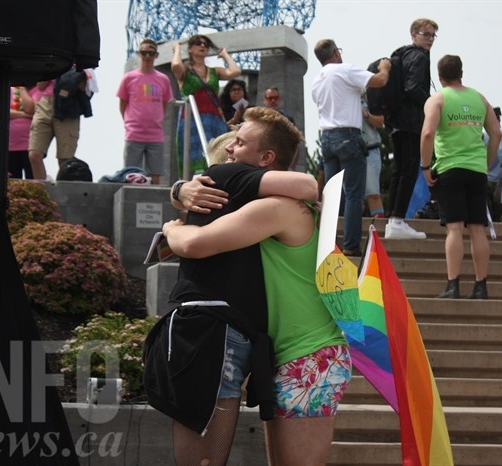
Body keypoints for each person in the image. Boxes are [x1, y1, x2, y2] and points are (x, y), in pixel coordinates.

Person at [163, 107, 349, 466]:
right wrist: (181, 190)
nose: (231, 149)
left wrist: (172, 229)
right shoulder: (269, 203)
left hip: (310, 354)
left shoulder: (278, 208)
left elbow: (197, 244)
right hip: (289, 354)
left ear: (266, 159)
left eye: (240, 143)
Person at [420, 54, 501, 300]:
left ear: (440, 75)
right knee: (478, 228)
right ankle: (480, 286)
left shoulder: (438, 99)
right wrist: (485, 163)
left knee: (454, 228)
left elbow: (427, 133)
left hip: (449, 168)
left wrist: (425, 167)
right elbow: (496, 133)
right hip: (477, 170)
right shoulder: (480, 98)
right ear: (461, 73)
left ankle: (453, 285)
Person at [311, 38, 391, 256]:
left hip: (327, 137)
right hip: (349, 135)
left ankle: (327, 244)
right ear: (336, 53)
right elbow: (379, 80)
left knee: (332, 194)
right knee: (354, 194)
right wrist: (385, 67)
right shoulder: (345, 70)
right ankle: (350, 245)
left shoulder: (317, 80)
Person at [383, 18, 439, 240]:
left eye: (433, 35)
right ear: (414, 34)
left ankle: (392, 220)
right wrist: (430, 105)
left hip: (396, 121)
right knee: (408, 170)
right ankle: (397, 220)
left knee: (399, 171)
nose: (430, 39)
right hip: (410, 122)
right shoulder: (419, 56)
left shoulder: (401, 55)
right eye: (426, 34)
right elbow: (413, 87)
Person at [172, 35, 240, 179]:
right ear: (190, 48)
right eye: (198, 43)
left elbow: (235, 72)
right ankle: (185, 189)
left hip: (214, 119)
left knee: (216, 155)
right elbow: (175, 66)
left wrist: (225, 55)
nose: (202, 46)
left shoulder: (214, 71)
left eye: (206, 44)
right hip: (191, 118)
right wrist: (177, 48)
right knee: (190, 156)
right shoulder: (186, 71)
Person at [117, 39, 173, 185]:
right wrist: (130, 122)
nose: (147, 56)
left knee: (156, 174)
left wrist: (157, 120)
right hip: (134, 133)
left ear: (156, 55)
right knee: (130, 173)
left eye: (151, 53)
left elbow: (165, 103)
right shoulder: (129, 78)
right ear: (138, 54)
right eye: (144, 52)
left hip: (155, 134)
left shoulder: (163, 79)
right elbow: (122, 103)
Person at [28, 69, 96, 180]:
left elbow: (85, 88)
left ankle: (62, 193)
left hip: (68, 106)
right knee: (34, 155)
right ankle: (42, 192)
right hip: (46, 104)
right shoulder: (52, 55)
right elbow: (40, 86)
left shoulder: (79, 61)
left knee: (65, 159)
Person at [361, 92, 385, 217]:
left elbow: (381, 122)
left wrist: (366, 115)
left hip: (370, 149)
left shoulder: (367, 96)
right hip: (349, 151)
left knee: (373, 194)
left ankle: (378, 233)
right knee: (353, 197)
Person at [8, 86, 36, 179]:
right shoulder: (10, 91)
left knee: (32, 181)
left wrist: (23, 88)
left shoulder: (36, 91)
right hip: (11, 145)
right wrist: (26, 114)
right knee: (12, 181)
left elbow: (30, 109)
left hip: (30, 145)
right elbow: (5, 112)